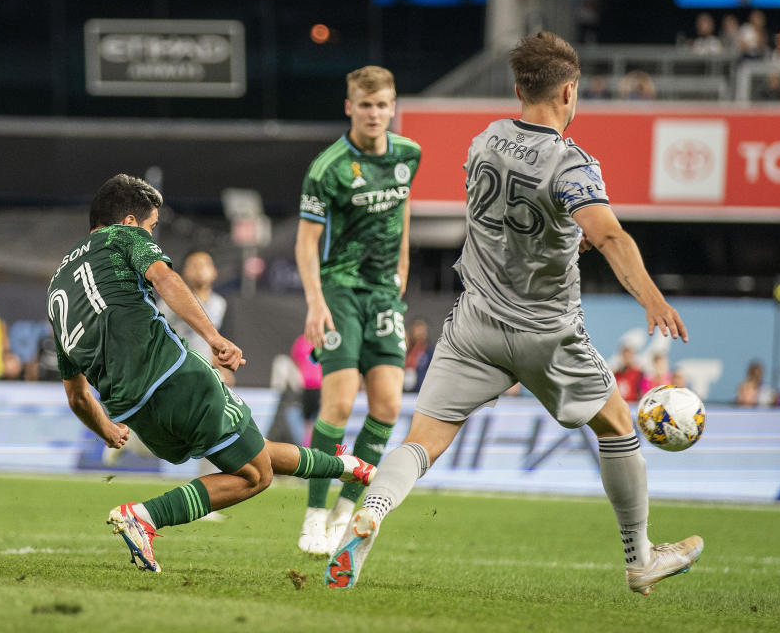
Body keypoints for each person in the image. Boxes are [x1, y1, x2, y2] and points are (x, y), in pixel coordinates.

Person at [325, 32, 702, 594]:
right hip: (546, 331)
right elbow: (610, 236)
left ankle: (371, 512)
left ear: (519, 87)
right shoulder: (570, 162)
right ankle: (639, 555)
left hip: (475, 322)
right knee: (619, 427)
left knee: (422, 439)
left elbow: (505, 221)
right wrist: (650, 296)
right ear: (569, 91)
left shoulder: (485, 141)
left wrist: (557, 239)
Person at [47, 174, 376, 572]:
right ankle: (146, 516)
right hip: (174, 376)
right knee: (256, 475)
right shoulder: (122, 236)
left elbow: (77, 396)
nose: (152, 235)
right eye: (152, 227)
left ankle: (348, 467)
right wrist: (215, 338)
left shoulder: (56, 287)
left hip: (135, 413)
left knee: (252, 454)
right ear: (130, 222)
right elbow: (165, 277)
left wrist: (108, 431)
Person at [294, 65, 421, 555]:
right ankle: (312, 515)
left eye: (382, 104)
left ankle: (345, 514)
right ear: (350, 107)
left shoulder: (409, 155)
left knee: (387, 405)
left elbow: (403, 208)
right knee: (340, 404)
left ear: (393, 107)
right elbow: (306, 242)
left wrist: (404, 264)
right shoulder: (326, 167)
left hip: (384, 295)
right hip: (340, 290)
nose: (374, 113)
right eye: (365, 105)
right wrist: (314, 301)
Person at [158, 250, 231, 383]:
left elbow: (208, 343)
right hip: (176, 372)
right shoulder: (171, 302)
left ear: (214, 271)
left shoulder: (219, 303)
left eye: (205, 264)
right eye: (194, 265)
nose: (200, 269)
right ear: (184, 272)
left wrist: (223, 369)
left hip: (205, 373)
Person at [403, 318, 434, 393]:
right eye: (418, 330)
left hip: (422, 393)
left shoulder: (430, 352)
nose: (420, 333)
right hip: (404, 393)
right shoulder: (405, 350)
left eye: (422, 330)